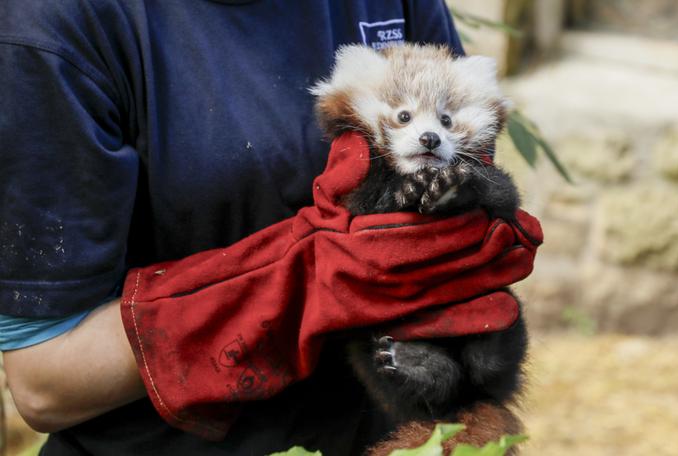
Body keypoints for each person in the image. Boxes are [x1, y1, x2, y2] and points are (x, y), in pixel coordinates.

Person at [0, 1, 537, 454]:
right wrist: (304, 283)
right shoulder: (51, 28)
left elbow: (471, 189)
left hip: (393, 427)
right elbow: (45, 385)